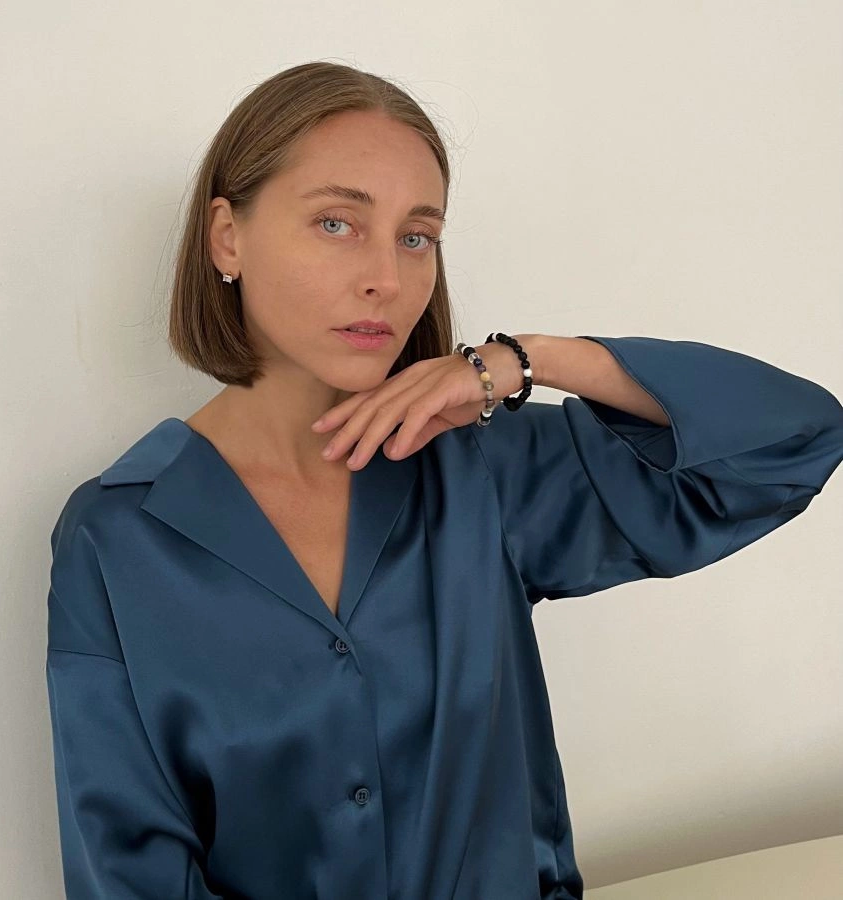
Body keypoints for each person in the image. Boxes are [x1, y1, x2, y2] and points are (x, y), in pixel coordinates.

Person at [44, 61, 843, 900]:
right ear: (226, 237)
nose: (387, 280)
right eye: (336, 223)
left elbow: (794, 443)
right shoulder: (118, 538)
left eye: (416, 236)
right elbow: (128, 869)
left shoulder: (485, 468)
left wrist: (524, 360)